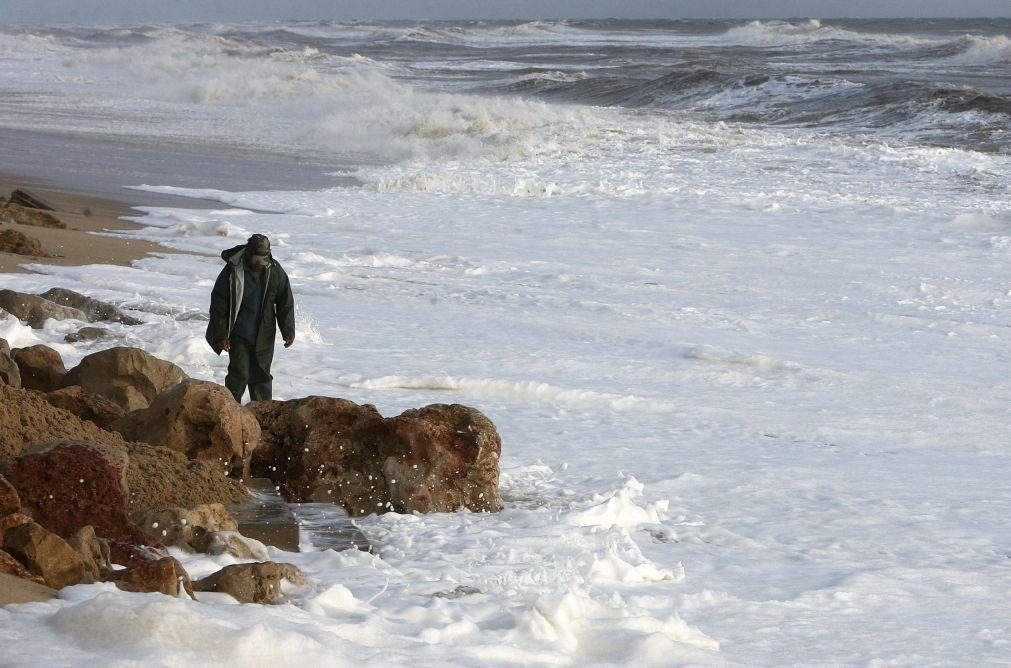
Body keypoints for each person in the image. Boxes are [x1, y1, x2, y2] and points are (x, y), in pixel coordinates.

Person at [205, 233, 295, 402]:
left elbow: (285, 302)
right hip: (239, 334)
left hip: (264, 335)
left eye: (264, 257)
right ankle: (230, 412)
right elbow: (219, 305)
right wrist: (221, 335)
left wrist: (288, 329)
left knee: (262, 377)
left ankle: (262, 417)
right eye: (257, 257)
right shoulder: (233, 270)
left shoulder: (275, 270)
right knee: (239, 374)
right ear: (248, 253)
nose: (261, 261)